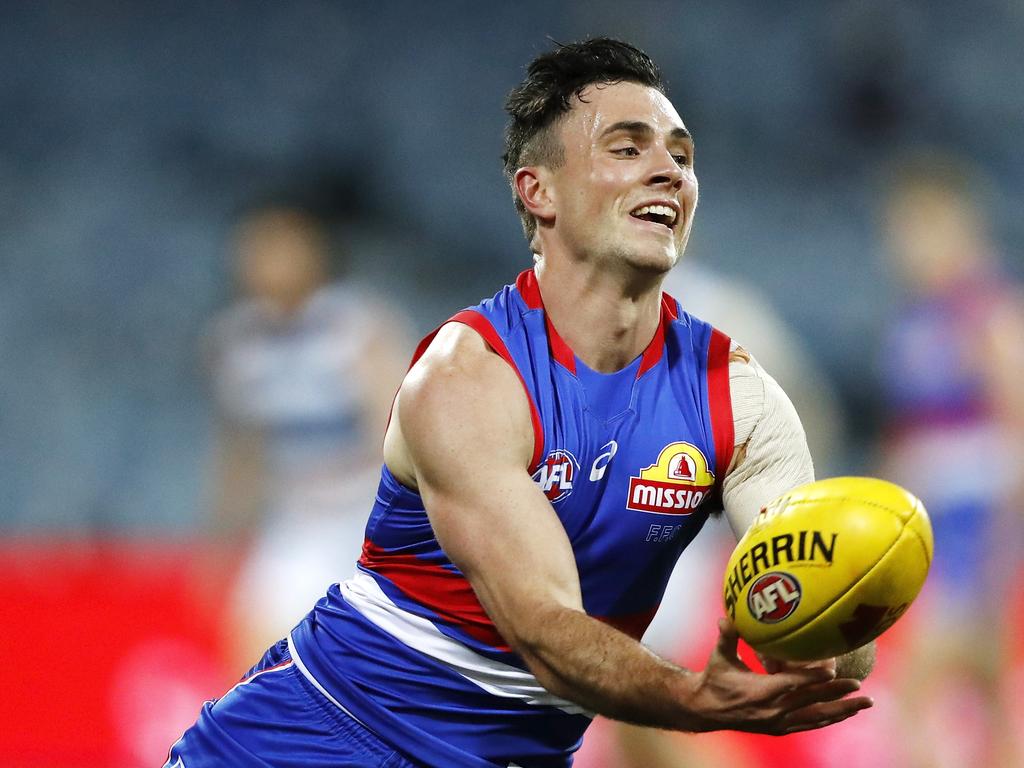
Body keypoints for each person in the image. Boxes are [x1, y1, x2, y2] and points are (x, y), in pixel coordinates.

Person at [167, 38, 874, 768]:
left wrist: (838, 608)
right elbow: (545, 630)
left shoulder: (743, 400)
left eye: (681, 155)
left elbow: (828, 634)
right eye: (627, 148)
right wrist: (695, 700)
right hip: (324, 742)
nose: (668, 170)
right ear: (539, 192)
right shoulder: (466, 376)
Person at [202, 201, 410, 668]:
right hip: (298, 518)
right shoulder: (237, 340)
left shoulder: (355, 327)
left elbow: (399, 423)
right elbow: (241, 448)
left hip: (365, 513)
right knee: (249, 650)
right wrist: (221, 536)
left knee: (381, 658)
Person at [874, 152, 1024, 767]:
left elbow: (1016, 422)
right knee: (976, 692)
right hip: (931, 523)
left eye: (918, 228)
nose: (905, 246)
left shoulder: (985, 310)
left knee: (926, 686)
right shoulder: (914, 318)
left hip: (978, 526)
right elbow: (910, 433)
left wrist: (1003, 540)